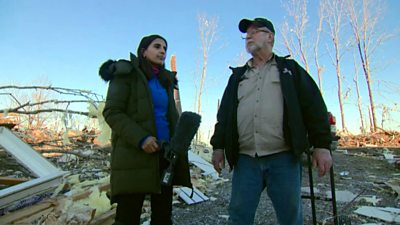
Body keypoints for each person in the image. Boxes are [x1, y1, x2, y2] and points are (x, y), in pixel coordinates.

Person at [210, 18, 333, 225]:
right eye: (246, 34)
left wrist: (322, 145)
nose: (248, 36)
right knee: (238, 216)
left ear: (270, 36)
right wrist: (218, 146)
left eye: (255, 31)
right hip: (246, 159)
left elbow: (314, 107)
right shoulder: (238, 76)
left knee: (290, 217)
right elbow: (225, 115)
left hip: (283, 158)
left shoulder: (289, 70)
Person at [99, 34, 191, 225]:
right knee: (128, 217)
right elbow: (112, 112)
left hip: (164, 155)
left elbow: (169, 117)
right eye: (157, 46)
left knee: (163, 216)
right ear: (143, 51)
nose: (162, 51)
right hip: (134, 156)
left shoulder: (166, 80)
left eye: (165, 48)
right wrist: (142, 139)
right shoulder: (127, 74)